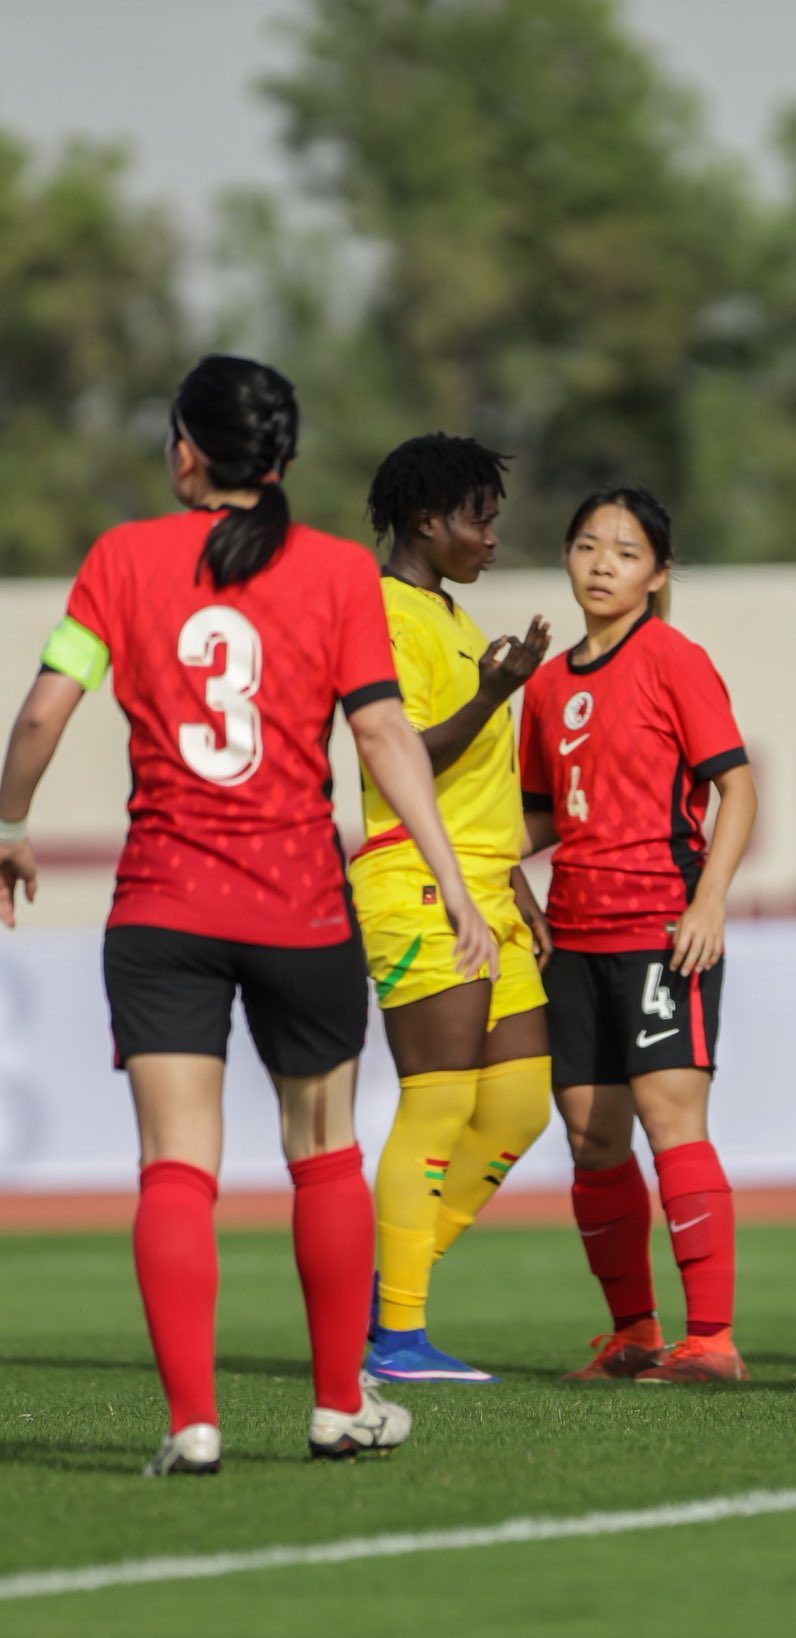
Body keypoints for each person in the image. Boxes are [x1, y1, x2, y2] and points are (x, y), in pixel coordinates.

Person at [0, 355, 493, 1474]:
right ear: (283, 457)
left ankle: (193, 1423)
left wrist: (10, 825)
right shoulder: (336, 572)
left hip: (163, 905)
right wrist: (452, 879)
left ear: (186, 451)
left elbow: (40, 715)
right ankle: (336, 1407)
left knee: (177, 1167)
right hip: (300, 907)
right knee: (323, 1154)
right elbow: (383, 735)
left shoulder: (120, 558)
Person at [518, 487, 759, 1385]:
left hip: (661, 925)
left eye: (625, 552)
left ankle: (713, 1341)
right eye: (588, 546)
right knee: (591, 1138)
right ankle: (634, 1334)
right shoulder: (545, 686)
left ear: (657, 575)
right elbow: (541, 816)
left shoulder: (672, 659)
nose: (602, 565)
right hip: (572, 937)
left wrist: (710, 903)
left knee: (670, 1120)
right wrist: (489, 865)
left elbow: (738, 789)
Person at [354, 435, 556, 1385]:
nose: (492, 536)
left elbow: (476, 785)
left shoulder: (454, 616)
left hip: (486, 883)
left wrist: (516, 882)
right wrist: (494, 694)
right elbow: (401, 754)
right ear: (425, 520)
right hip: (415, 879)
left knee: (517, 1105)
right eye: (479, 519)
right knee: (436, 1104)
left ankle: (380, 1293)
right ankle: (397, 1336)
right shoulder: (382, 615)